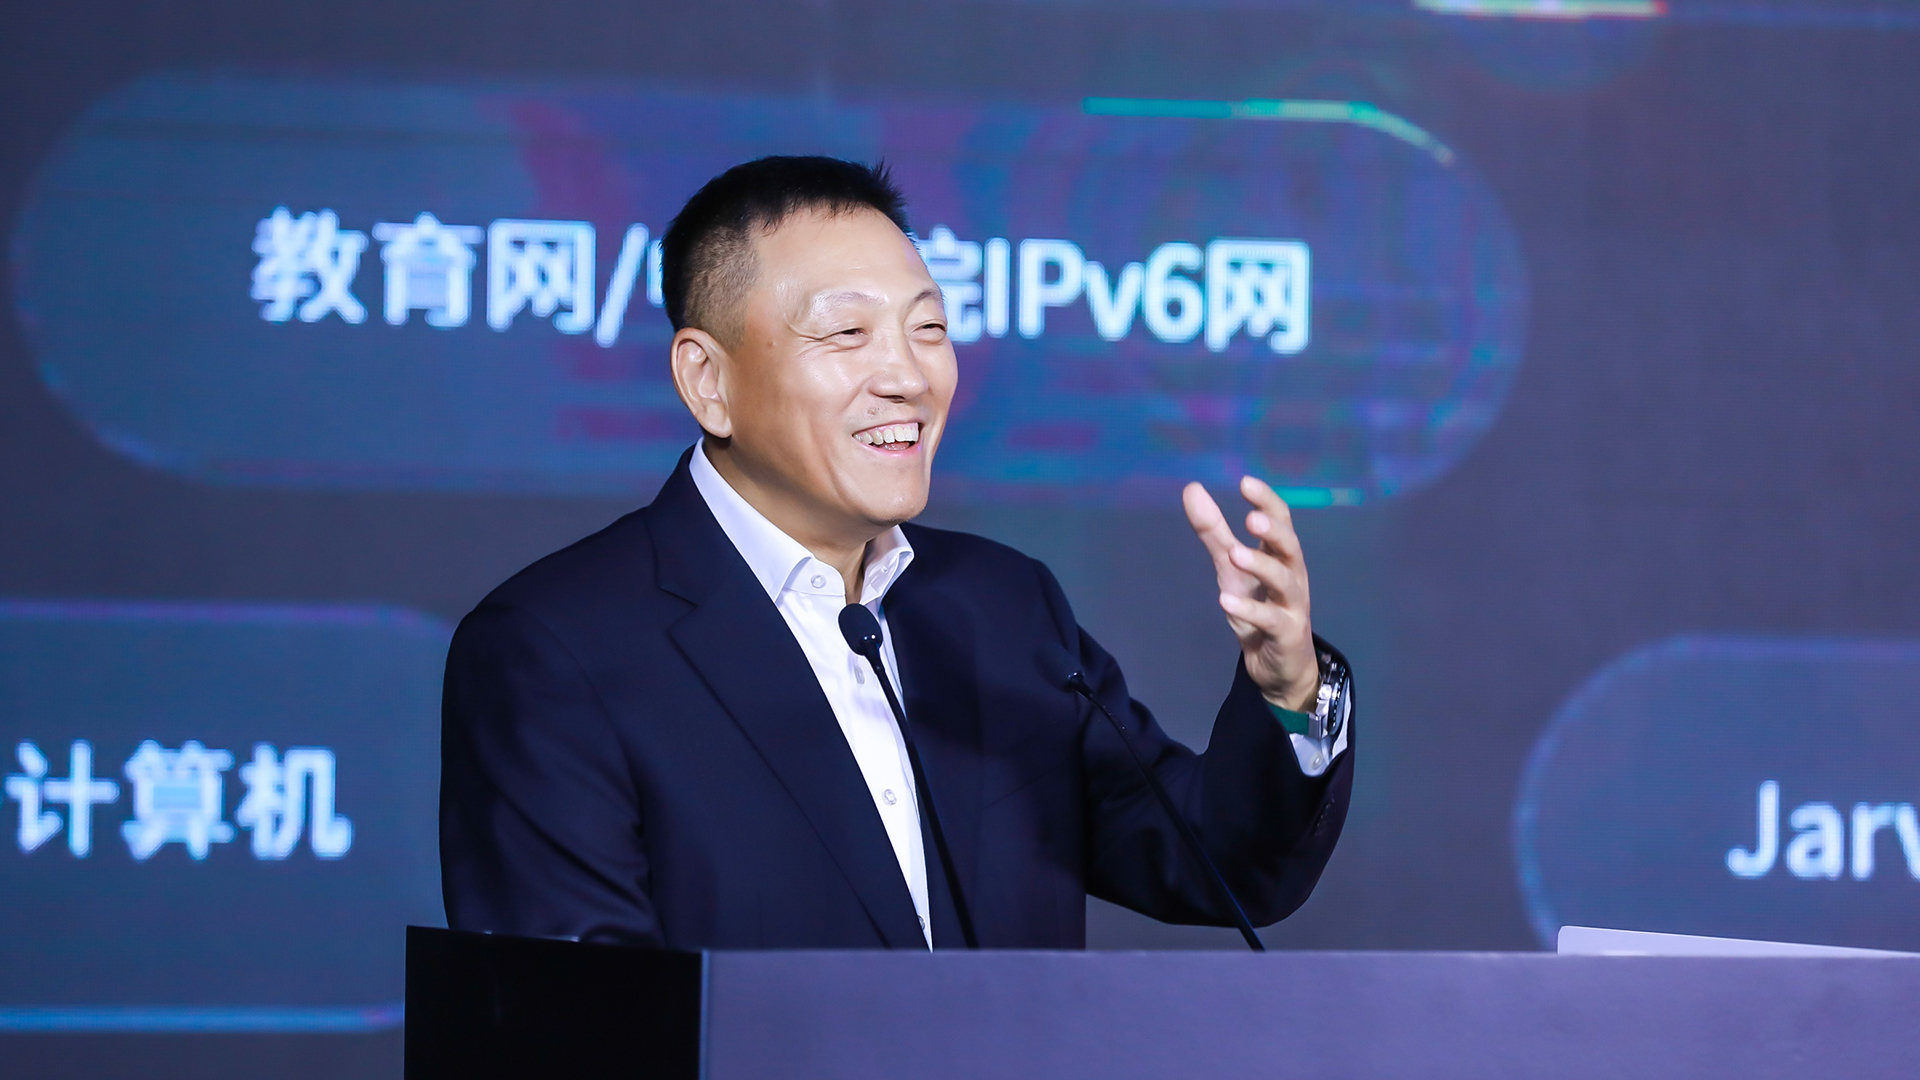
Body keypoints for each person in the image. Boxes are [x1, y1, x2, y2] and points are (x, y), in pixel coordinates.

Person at [439, 156, 1352, 949]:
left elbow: (1220, 866)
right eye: (847, 333)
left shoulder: (1004, 608)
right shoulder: (555, 650)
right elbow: (572, 1018)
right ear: (707, 381)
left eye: (929, 329)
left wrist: (1289, 690)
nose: (909, 376)